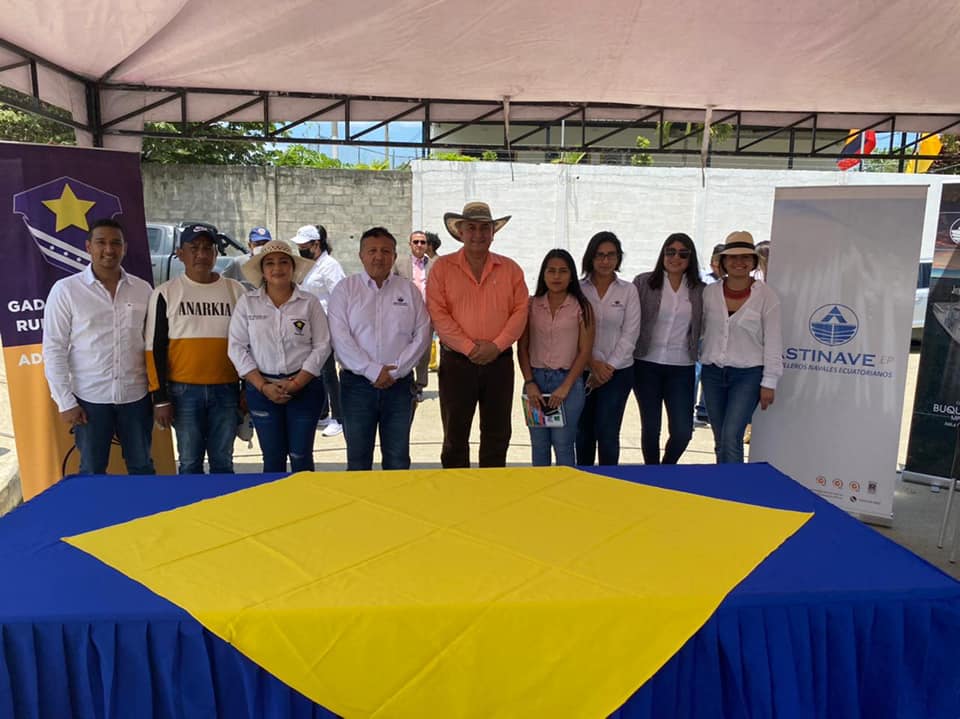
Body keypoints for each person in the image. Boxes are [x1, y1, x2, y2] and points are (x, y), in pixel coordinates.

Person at [42, 218, 155, 475]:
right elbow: (54, 348)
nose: (109, 249)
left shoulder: (143, 289)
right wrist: (65, 401)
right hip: (89, 400)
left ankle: (145, 504)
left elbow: (152, 344)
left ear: (125, 248)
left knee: (142, 467)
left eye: (116, 243)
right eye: (101, 242)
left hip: (136, 397)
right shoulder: (66, 290)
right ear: (88, 247)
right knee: (92, 470)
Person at [426, 201, 528, 468]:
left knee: (498, 433)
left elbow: (520, 312)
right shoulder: (442, 268)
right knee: (454, 434)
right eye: (471, 228)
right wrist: (470, 348)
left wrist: (497, 345)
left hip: (499, 362)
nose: (478, 234)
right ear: (460, 232)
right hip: (457, 363)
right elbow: (438, 314)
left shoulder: (511, 270)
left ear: (493, 233)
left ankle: (491, 487)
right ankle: (456, 486)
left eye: (485, 228)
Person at [145, 224, 246, 474]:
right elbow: (154, 348)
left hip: (227, 390)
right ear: (180, 254)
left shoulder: (236, 290)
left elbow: (249, 344)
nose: (201, 254)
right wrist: (160, 398)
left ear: (215, 254)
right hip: (183, 392)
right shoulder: (165, 293)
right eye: (194, 248)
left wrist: (247, 389)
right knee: (189, 462)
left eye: (207, 248)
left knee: (223, 461)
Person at [328, 227, 431, 470]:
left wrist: (395, 371)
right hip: (356, 387)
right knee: (358, 460)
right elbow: (340, 339)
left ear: (394, 256)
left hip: (399, 386)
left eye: (385, 251)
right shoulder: (345, 289)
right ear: (361, 255)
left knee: (398, 459)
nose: (379, 256)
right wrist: (372, 371)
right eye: (372, 251)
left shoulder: (409, 290)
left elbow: (422, 333)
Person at [228, 240, 330, 472]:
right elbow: (237, 347)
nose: (277, 268)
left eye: (284, 262)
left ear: (293, 268)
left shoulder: (309, 303)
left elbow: (322, 346)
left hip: (305, 389)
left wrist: (296, 383)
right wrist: (263, 387)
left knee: (301, 456)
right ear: (262, 270)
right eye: (270, 263)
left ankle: (307, 497)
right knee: (272, 458)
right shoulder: (248, 303)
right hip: (262, 390)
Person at [700, 231, 783, 464]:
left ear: (754, 261)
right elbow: (699, 330)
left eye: (745, 257)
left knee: (731, 436)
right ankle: (722, 481)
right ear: (723, 261)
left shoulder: (766, 296)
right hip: (712, 373)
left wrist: (769, 383)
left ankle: (733, 485)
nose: (739, 262)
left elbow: (774, 341)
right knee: (720, 438)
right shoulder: (709, 293)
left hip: (748, 376)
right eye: (733, 257)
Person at [632, 233, 705, 465]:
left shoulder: (700, 290)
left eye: (683, 253)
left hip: (682, 366)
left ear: (690, 258)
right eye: (670, 252)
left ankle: (667, 468)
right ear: (662, 253)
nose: (676, 258)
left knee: (683, 431)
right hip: (646, 364)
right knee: (651, 428)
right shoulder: (643, 283)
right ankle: (652, 473)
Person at [519, 249, 594, 466]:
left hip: (568, 383)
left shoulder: (582, 307)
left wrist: (565, 387)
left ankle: (566, 487)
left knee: (563, 444)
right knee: (539, 445)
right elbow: (522, 347)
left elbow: (585, 351)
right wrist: (529, 383)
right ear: (543, 274)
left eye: (563, 271)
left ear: (571, 276)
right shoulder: (531, 305)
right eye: (551, 271)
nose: (556, 276)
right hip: (536, 382)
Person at [575, 231, 641, 466]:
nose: (605, 261)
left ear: (618, 258)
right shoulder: (579, 289)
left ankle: (609, 479)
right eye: (599, 255)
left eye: (611, 255)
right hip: (583, 370)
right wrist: (592, 363)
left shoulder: (628, 290)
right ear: (590, 258)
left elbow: (630, 333)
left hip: (618, 373)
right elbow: (573, 332)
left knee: (608, 431)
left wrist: (607, 368)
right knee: (583, 431)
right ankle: (583, 478)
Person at [291, 224, 346, 438]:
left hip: (328, 325)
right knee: (315, 371)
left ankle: (338, 417)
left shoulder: (330, 266)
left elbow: (340, 296)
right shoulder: (306, 266)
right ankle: (322, 413)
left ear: (316, 244)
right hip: (309, 326)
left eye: (304, 246)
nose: (301, 249)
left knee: (328, 372)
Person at [394, 230, 433, 403]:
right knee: (402, 349)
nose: (419, 245)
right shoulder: (399, 263)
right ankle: (403, 383)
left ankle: (419, 386)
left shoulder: (434, 265)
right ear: (410, 244)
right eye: (416, 242)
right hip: (404, 314)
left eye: (422, 242)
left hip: (426, 315)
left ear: (427, 245)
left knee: (424, 352)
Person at [695, 242, 726, 426]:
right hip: (701, 334)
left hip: (717, 336)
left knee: (710, 373)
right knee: (696, 372)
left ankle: (704, 410)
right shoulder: (702, 279)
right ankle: (690, 409)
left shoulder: (729, 283)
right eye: (715, 260)